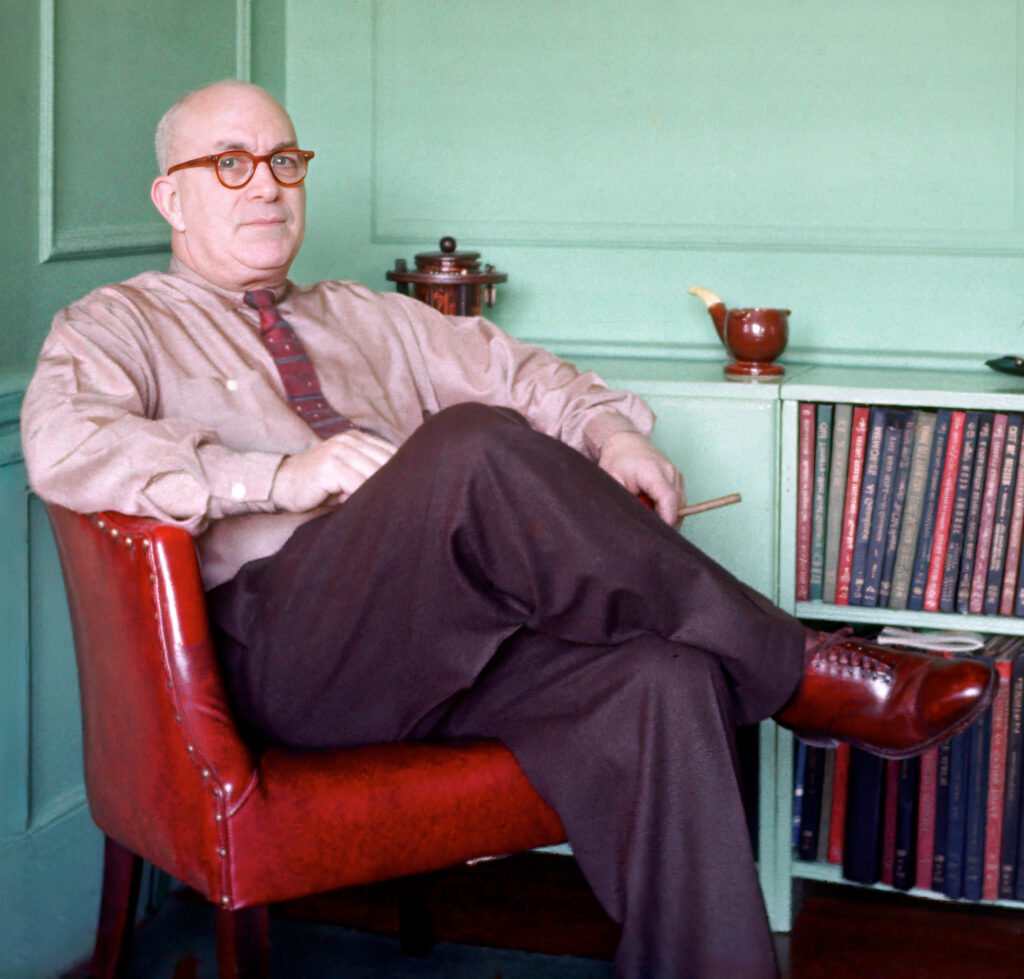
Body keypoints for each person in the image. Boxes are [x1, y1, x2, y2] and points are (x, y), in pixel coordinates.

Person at [21, 81, 995, 978]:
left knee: (663, 677)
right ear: (169, 199)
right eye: (230, 164)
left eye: (285, 161)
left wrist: (611, 434)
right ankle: (798, 670)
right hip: (288, 656)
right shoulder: (117, 325)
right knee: (470, 446)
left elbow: (524, 372)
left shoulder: (367, 316)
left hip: (441, 643)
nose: (267, 187)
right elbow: (65, 445)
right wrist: (275, 473)